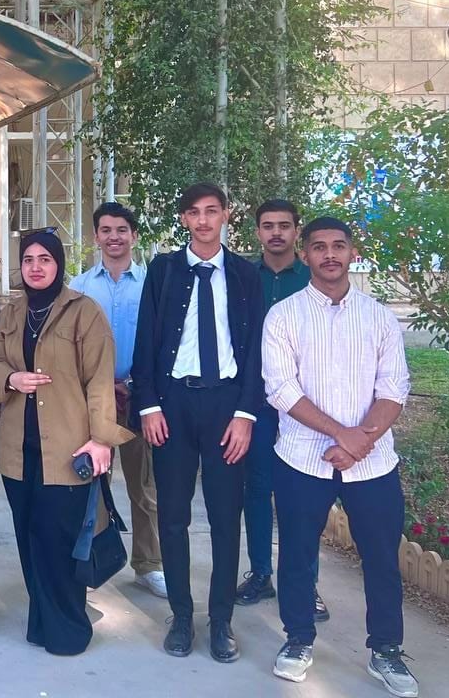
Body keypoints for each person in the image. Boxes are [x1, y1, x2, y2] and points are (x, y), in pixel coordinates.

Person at [264, 217, 417, 697]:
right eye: (319, 247)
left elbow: (394, 387)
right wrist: (342, 435)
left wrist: (359, 442)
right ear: (304, 255)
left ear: (353, 252)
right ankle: (297, 639)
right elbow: (281, 389)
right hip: (301, 458)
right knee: (296, 554)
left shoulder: (379, 317)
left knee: (381, 558)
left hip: (373, 463)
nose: (329, 254)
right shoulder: (284, 316)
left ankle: (386, 649)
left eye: (338, 246)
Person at [132, 182, 264, 663]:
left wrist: (246, 414)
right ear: (184, 219)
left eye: (212, 211)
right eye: (194, 212)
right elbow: (146, 340)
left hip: (226, 405)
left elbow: (256, 351)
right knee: (173, 515)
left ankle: (221, 619)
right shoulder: (164, 270)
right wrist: (148, 406)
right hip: (174, 404)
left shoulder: (245, 274)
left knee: (227, 517)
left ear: (226, 214)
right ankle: (183, 616)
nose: (204, 220)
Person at [0, 228, 132, 655]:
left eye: (44, 259)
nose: (36, 267)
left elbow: (100, 382)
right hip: (18, 450)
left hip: (68, 450)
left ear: (58, 264)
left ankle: (68, 629)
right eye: (28, 260)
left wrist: (102, 440)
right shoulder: (13, 313)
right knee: (29, 537)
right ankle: (41, 622)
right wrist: (10, 378)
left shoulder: (84, 313)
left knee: (58, 540)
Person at [68, 202, 167, 599]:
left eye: (122, 230)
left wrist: (137, 385)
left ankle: (150, 564)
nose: (114, 237)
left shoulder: (152, 285)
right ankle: (90, 563)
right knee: (92, 486)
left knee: (145, 487)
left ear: (134, 236)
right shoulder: (79, 287)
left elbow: (162, 343)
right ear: (96, 237)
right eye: (106, 230)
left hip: (140, 397)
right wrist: (99, 386)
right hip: (93, 400)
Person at [237, 199, 327, 621]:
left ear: (296, 231)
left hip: (304, 404)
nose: (276, 232)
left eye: (284, 225)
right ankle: (260, 573)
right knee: (256, 489)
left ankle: (306, 584)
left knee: (303, 494)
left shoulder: (313, 279)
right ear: (257, 231)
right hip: (256, 402)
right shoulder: (242, 277)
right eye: (268, 225)